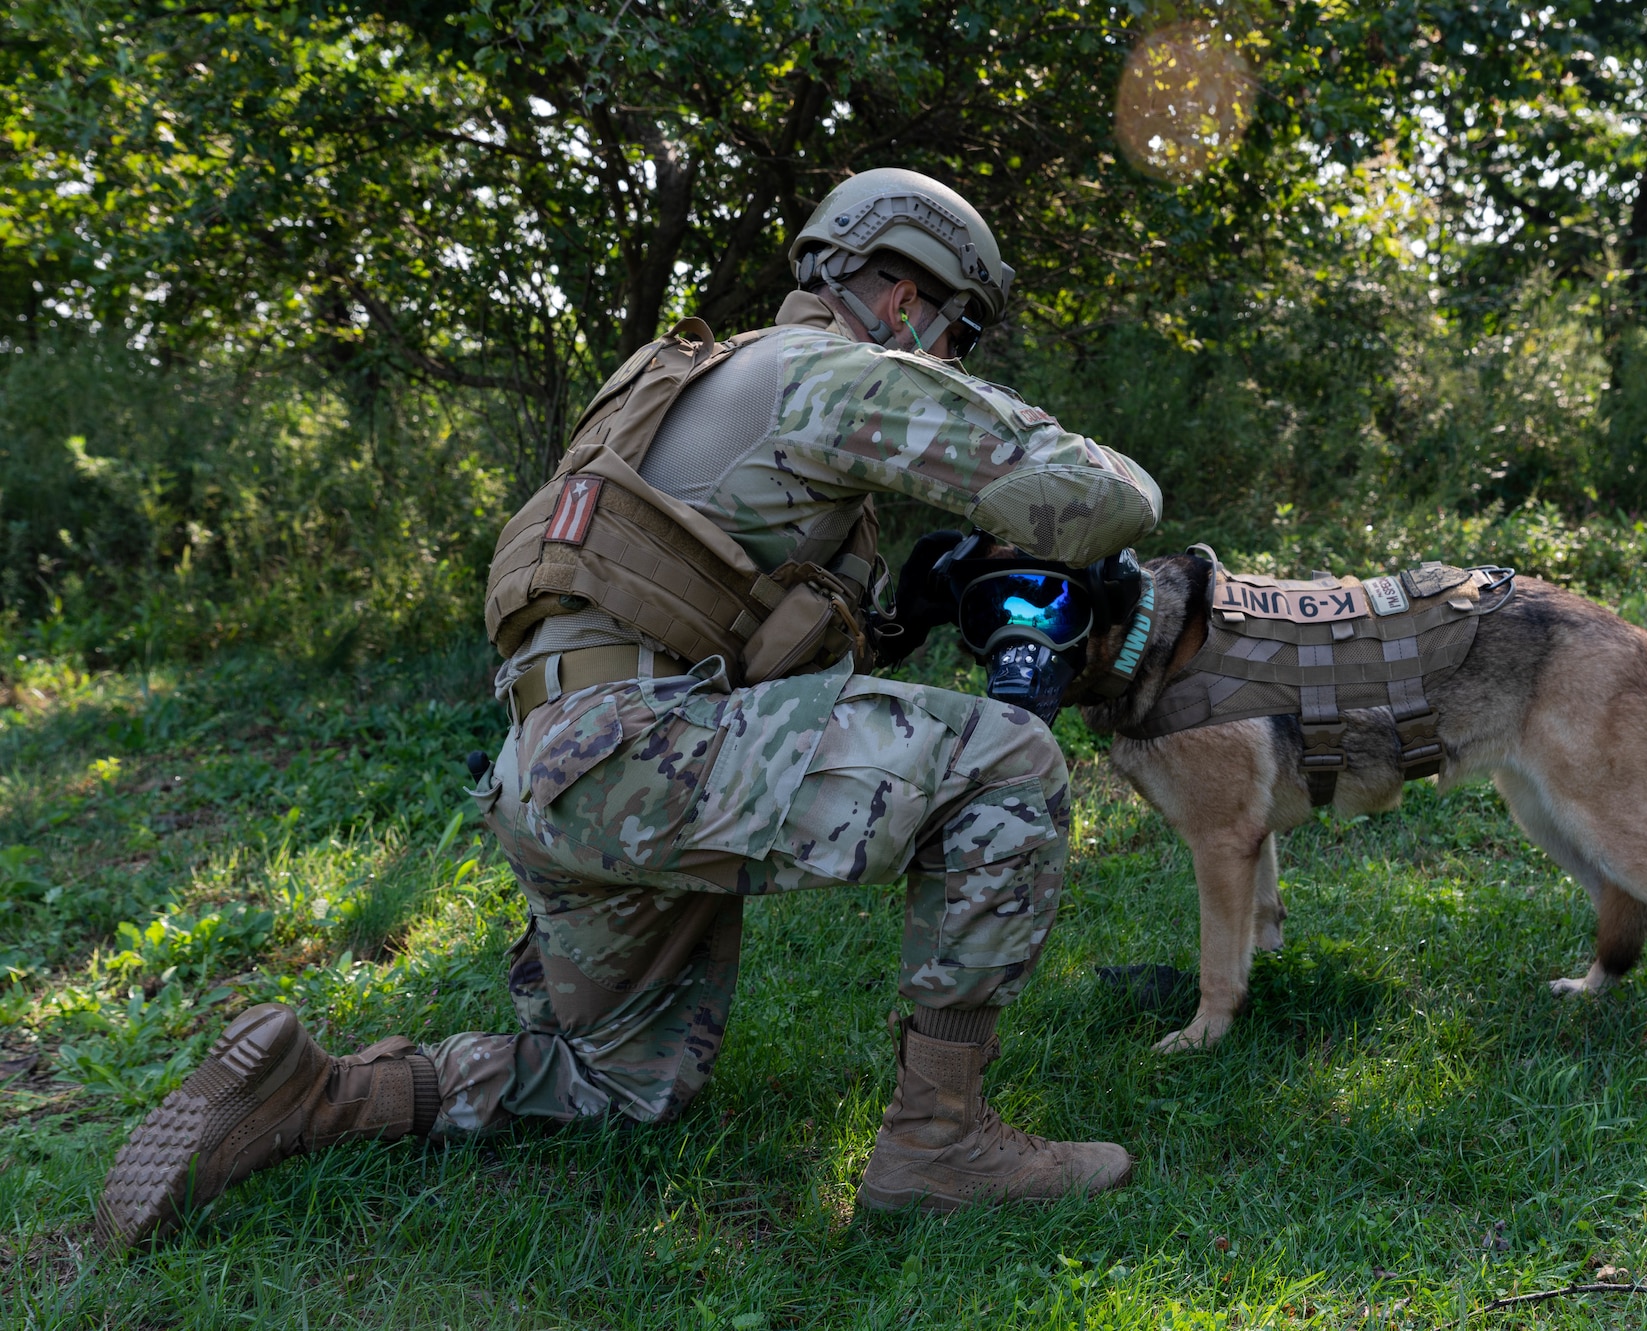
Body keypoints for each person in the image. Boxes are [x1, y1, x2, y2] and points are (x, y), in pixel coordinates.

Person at [96, 168, 1163, 1247]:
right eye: (954, 334)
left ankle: (322, 1094)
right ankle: (941, 1138)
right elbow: (1090, 500)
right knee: (1006, 757)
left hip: (556, 764)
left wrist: (893, 614)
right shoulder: (832, 368)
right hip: (648, 751)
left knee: (623, 1080)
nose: (945, 357)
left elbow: (723, 622)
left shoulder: (678, 384)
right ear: (902, 299)